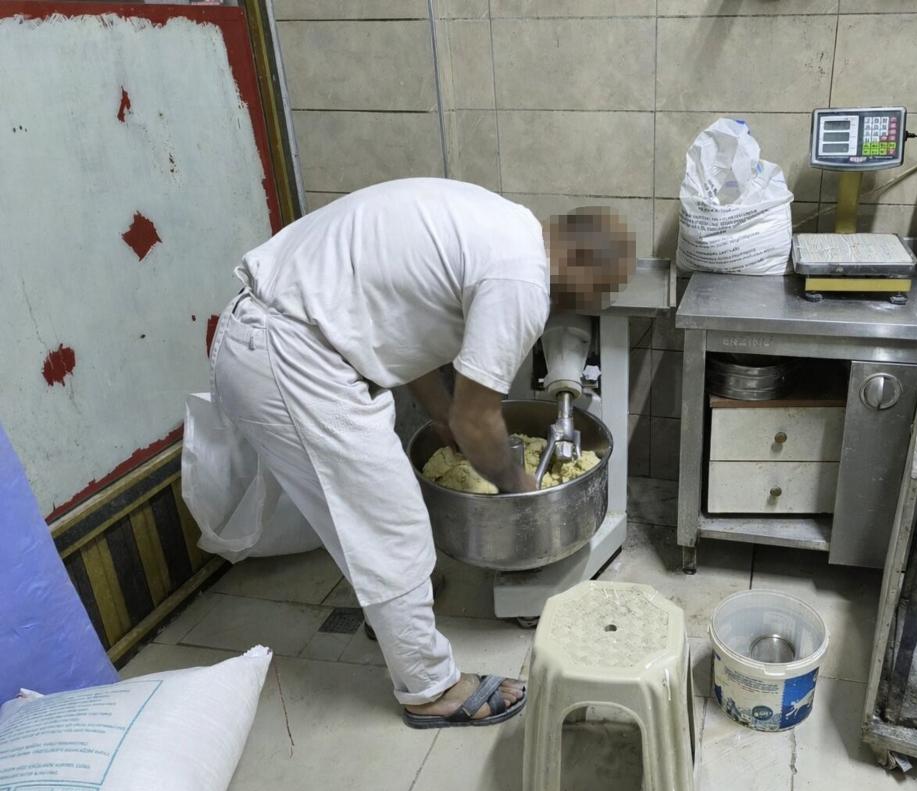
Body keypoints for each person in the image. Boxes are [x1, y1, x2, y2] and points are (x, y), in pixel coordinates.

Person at [182, 178, 635, 728]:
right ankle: (430, 690)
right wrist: (519, 490)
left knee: (367, 512)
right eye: (598, 291)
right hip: (291, 351)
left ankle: (396, 613)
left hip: (272, 331)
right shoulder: (521, 279)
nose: (590, 305)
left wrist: (441, 414)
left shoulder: (500, 225)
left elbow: (403, 331)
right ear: (579, 259)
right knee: (392, 525)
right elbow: (478, 418)